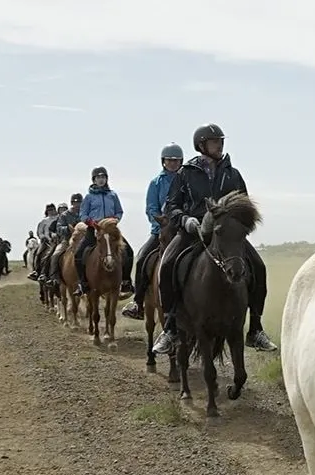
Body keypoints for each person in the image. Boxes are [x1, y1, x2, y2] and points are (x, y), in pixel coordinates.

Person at [152, 123, 278, 354]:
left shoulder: (233, 174)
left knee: (258, 267)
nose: (219, 146)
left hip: (225, 234)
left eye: (220, 142)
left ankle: (255, 329)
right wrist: (185, 220)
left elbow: (245, 206)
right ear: (201, 145)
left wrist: (238, 226)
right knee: (167, 265)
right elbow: (171, 206)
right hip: (192, 232)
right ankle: (170, 328)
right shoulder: (185, 173)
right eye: (214, 142)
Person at [123, 143, 185, 319]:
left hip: (183, 229)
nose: (173, 163)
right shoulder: (156, 183)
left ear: (181, 161)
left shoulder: (187, 180)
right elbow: (151, 208)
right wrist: (161, 223)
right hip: (162, 230)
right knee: (142, 258)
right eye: (169, 160)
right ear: (163, 161)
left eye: (176, 160)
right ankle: (138, 303)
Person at [74, 169, 135, 295]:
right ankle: (83, 283)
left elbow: (119, 211)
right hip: (94, 229)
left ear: (106, 179)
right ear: (94, 180)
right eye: (98, 177)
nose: (101, 180)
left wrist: (115, 219)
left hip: (111, 229)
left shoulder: (113, 195)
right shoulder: (89, 197)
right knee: (79, 254)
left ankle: (126, 281)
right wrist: (91, 222)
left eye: (103, 177)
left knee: (129, 251)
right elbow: (83, 214)